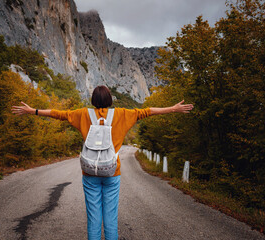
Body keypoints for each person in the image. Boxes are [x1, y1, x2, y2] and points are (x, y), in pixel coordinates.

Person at [11, 85, 193, 240]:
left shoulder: (82, 114)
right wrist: (173, 109)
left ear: (92, 100)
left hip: (89, 172)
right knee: (110, 216)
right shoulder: (122, 114)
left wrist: (32, 111)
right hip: (112, 172)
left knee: (93, 217)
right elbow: (148, 111)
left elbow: (58, 114)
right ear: (110, 100)